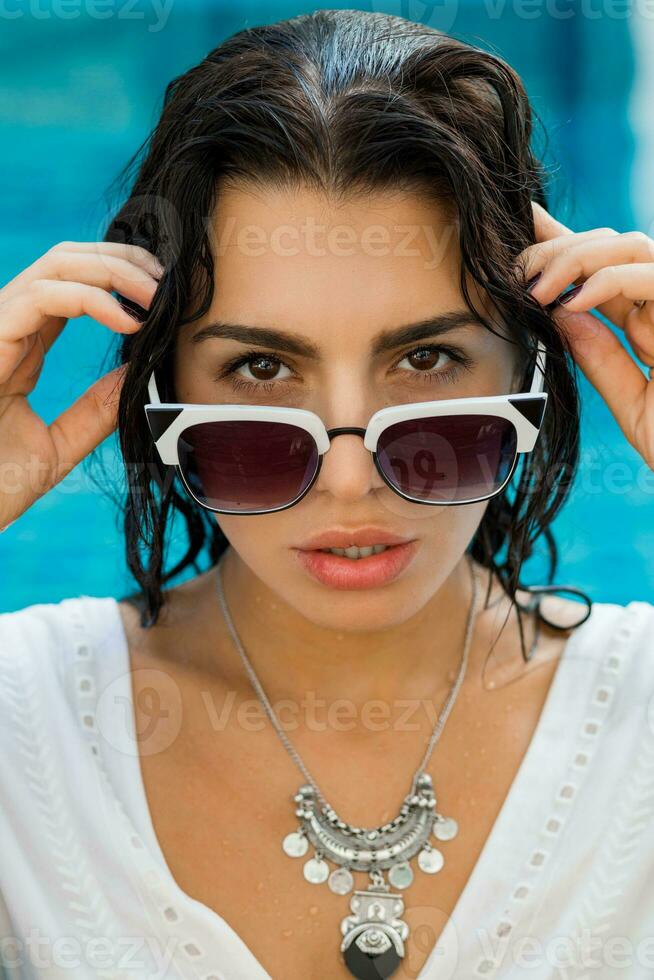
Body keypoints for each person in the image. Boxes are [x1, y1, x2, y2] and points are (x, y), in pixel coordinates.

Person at [1, 9, 653, 980]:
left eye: (427, 358)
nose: (352, 477)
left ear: (534, 373)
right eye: (261, 368)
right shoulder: (28, 724)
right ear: (163, 388)